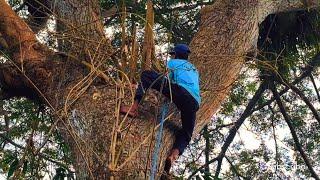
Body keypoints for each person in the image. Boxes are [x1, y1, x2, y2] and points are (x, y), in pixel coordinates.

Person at [120, 43, 201, 173]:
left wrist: (160, 88)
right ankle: (173, 155)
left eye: (173, 54)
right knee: (186, 133)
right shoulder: (194, 70)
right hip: (194, 102)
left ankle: (134, 107)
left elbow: (168, 80)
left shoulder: (173, 63)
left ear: (176, 54)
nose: (172, 56)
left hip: (180, 91)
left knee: (146, 75)